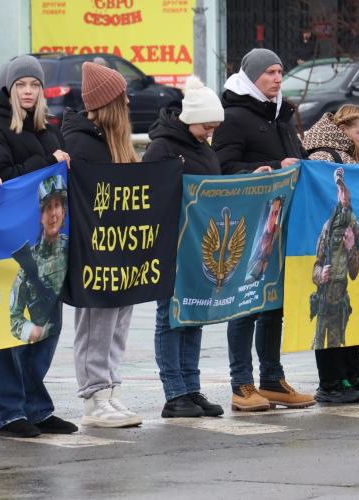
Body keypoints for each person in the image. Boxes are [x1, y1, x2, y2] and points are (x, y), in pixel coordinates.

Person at [212, 48, 315, 412]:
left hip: (281, 223)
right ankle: (241, 384)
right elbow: (222, 167)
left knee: (273, 303)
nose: (277, 78)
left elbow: (298, 158)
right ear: (251, 76)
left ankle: (272, 380)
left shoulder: (279, 115)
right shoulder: (233, 117)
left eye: (280, 72)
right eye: (269, 72)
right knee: (245, 305)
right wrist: (273, 165)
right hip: (249, 225)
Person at [0, 55, 76, 438]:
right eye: (21, 85)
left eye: (35, 85)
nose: (29, 91)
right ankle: (9, 413)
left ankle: (36, 408)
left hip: (49, 245)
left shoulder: (49, 128)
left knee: (46, 328)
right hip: (10, 247)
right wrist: (45, 162)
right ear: (10, 89)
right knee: (8, 331)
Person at [62, 61, 142, 428]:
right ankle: (94, 397)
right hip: (94, 249)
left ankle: (110, 388)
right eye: (123, 97)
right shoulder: (81, 144)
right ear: (109, 103)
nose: (128, 103)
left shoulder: (113, 142)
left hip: (119, 246)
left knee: (118, 321)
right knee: (96, 322)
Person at [141, 75, 225, 419]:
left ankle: (191, 387)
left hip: (198, 246)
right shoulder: (162, 149)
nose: (210, 133)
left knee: (194, 315)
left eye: (214, 128)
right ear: (190, 119)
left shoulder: (204, 149)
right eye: (206, 126)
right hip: (171, 244)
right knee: (171, 317)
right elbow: (148, 196)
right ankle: (174, 392)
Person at [302, 104, 359, 403]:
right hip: (328, 274)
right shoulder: (323, 157)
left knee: (352, 322)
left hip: (347, 269)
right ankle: (331, 382)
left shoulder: (352, 155)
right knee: (328, 330)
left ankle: (353, 374)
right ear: (343, 130)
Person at [9, 175, 67, 343]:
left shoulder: (71, 249)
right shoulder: (29, 262)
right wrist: (33, 331)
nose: (53, 214)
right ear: (41, 216)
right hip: (37, 343)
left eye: (57, 206)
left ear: (64, 211)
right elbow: (14, 318)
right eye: (48, 208)